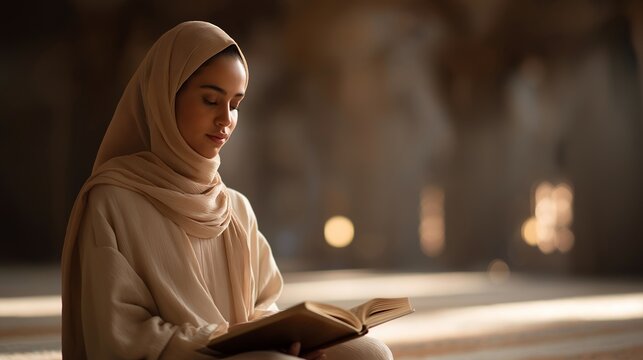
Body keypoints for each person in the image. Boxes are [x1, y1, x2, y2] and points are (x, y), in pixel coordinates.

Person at [61, 21, 393, 360]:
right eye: (210, 100)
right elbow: (120, 335)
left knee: (370, 353)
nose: (226, 119)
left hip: (245, 352)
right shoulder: (111, 200)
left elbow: (262, 308)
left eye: (235, 104)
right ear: (165, 95)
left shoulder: (234, 207)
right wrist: (224, 338)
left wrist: (290, 340)